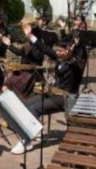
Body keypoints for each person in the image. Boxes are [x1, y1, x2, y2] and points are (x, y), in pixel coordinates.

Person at [11, 23, 87, 155]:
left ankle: (26, 141)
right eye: (57, 49)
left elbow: (78, 60)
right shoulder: (59, 56)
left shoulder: (76, 64)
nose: (57, 52)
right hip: (54, 93)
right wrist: (30, 35)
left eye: (61, 50)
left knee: (34, 108)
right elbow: (44, 48)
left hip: (66, 98)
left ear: (69, 50)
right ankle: (33, 131)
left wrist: (74, 52)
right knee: (26, 104)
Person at [1, 22, 44, 99]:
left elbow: (37, 57)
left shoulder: (39, 44)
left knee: (15, 84)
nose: (25, 34)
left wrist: (29, 52)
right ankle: (5, 100)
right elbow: (19, 52)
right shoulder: (28, 43)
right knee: (7, 82)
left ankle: (14, 101)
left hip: (32, 73)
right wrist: (9, 44)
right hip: (23, 70)